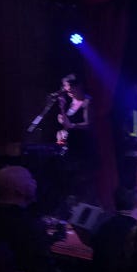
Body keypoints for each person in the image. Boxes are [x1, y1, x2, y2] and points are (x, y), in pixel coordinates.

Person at [56, 73, 97, 206]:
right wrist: (62, 109)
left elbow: (89, 124)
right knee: (70, 182)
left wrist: (72, 125)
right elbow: (66, 124)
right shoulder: (71, 102)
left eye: (70, 89)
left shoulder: (87, 102)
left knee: (84, 183)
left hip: (84, 147)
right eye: (66, 90)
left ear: (78, 86)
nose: (68, 92)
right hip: (72, 147)